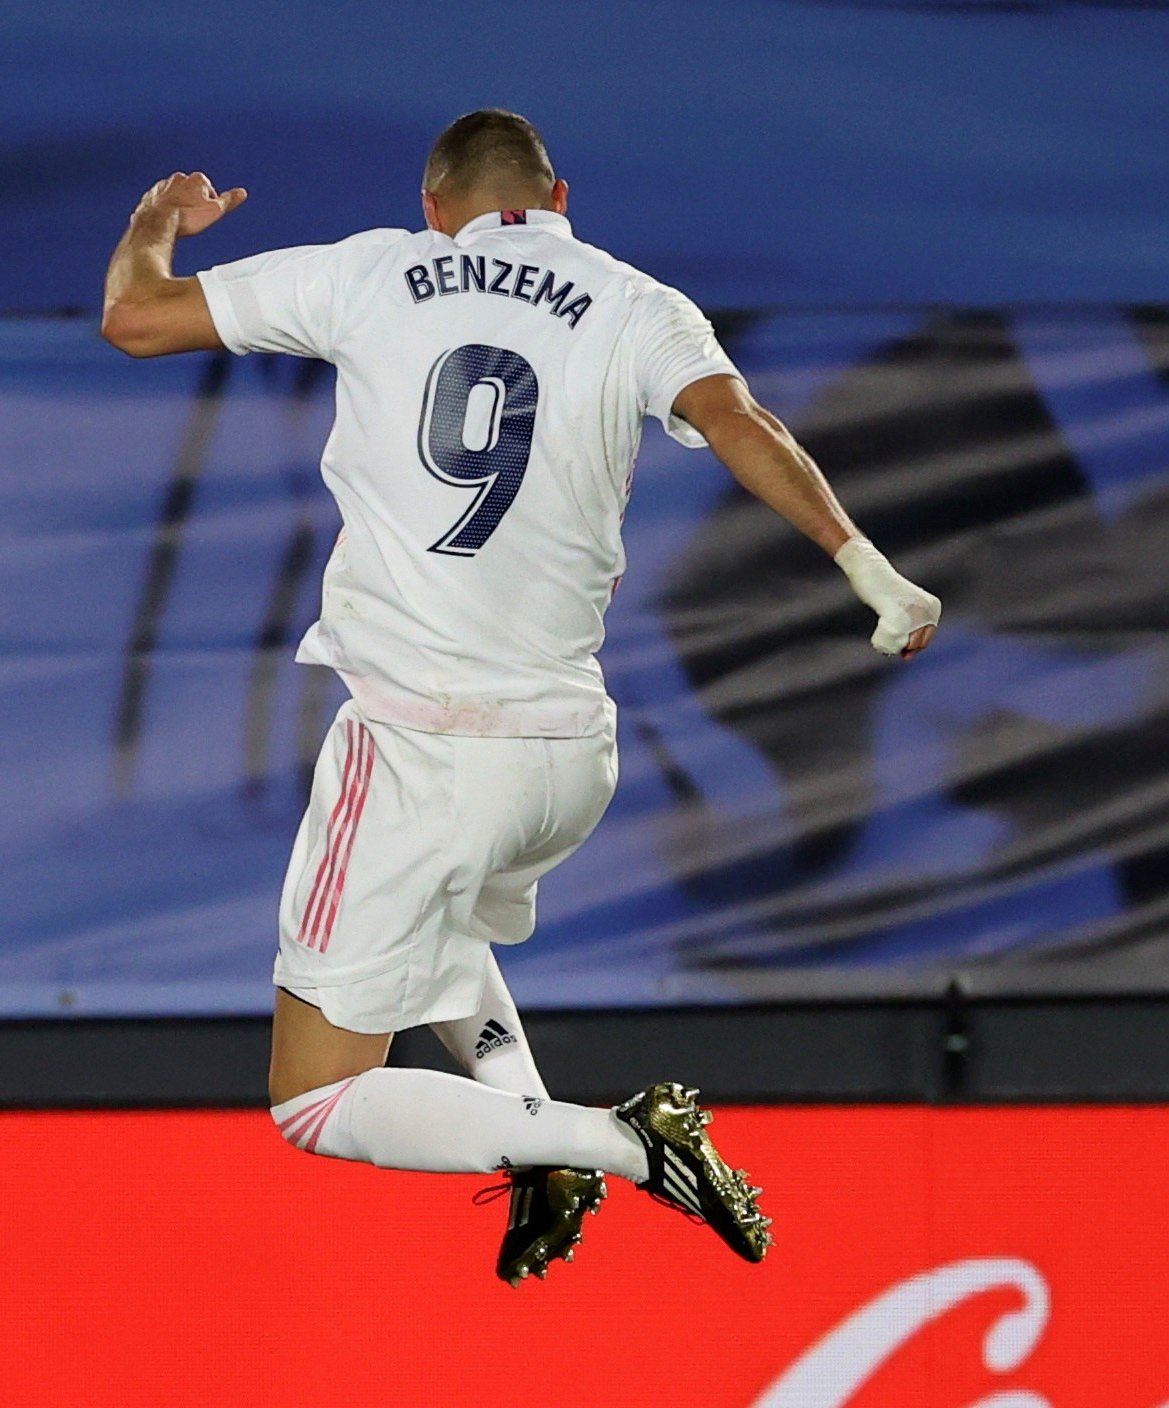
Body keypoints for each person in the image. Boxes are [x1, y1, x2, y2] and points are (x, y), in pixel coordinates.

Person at [98, 109, 940, 1284]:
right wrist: (866, 564)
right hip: (563, 756)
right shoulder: (636, 301)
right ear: (559, 196)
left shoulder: (374, 269)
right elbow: (740, 423)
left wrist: (151, 229)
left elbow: (134, 318)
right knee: (440, 934)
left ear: (433, 205)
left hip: (423, 747)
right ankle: (536, 1138)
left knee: (311, 1094)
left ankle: (612, 1141)